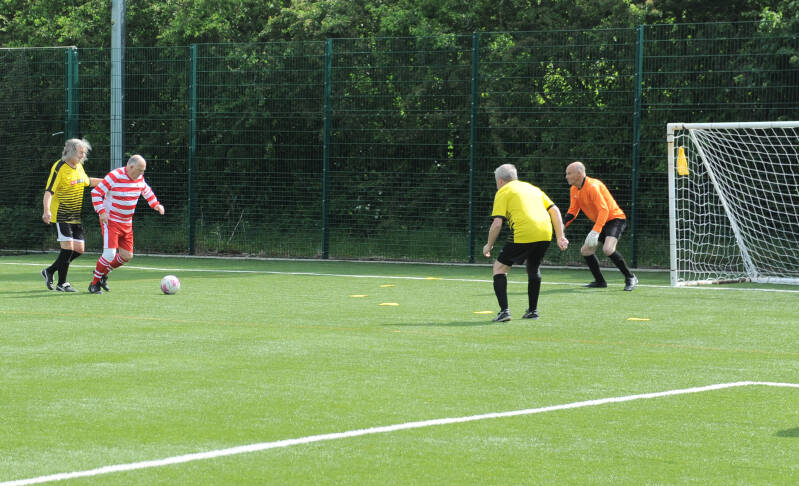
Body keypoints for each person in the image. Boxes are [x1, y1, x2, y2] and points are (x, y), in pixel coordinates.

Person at [483, 163, 568, 322]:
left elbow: (497, 224)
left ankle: (504, 312)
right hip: (545, 232)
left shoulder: (503, 191)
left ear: (500, 181)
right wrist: (560, 236)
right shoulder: (533, 188)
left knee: (499, 268)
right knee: (533, 267)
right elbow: (555, 210)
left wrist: (489, 245)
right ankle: (532, 311)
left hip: (524, 232)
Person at [88, 154, 165, 294]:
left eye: (143, 171)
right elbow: (96, 193)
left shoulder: (139, 178)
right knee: (109, 254)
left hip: (127, 223)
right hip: (111, 221)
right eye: (140, 170)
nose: (141, 174)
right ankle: (94, 283)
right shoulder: (115, 175)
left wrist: (156, 205)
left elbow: (146, 191)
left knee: (127, 256)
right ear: (130, 166)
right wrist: (101, 211)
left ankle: (103, 274)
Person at [563, 161, 637, 291]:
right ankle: (600, 281)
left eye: (569, 173)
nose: (566, 176)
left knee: (608, 249)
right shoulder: (574, 189)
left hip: (615, 219)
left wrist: (596, 230)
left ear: (579, 174)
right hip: (601, 221)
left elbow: (604, 210)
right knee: (586, 251)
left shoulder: (592, 186)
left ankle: (630, 277)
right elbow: (572, 211)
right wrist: (562, 226)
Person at [41, 139, 102, 292]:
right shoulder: (59, 167)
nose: (83, 156)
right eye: (81, 152)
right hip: (60, 214)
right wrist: (46, 211)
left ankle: (50, 271)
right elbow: (49, 191)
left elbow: (88, 182)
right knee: (68, 249)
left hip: (75, 216)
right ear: (70, 152)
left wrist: (110, 182)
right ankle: (62, 283)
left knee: (79, 250)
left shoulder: (79, 167)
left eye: (84, 153)